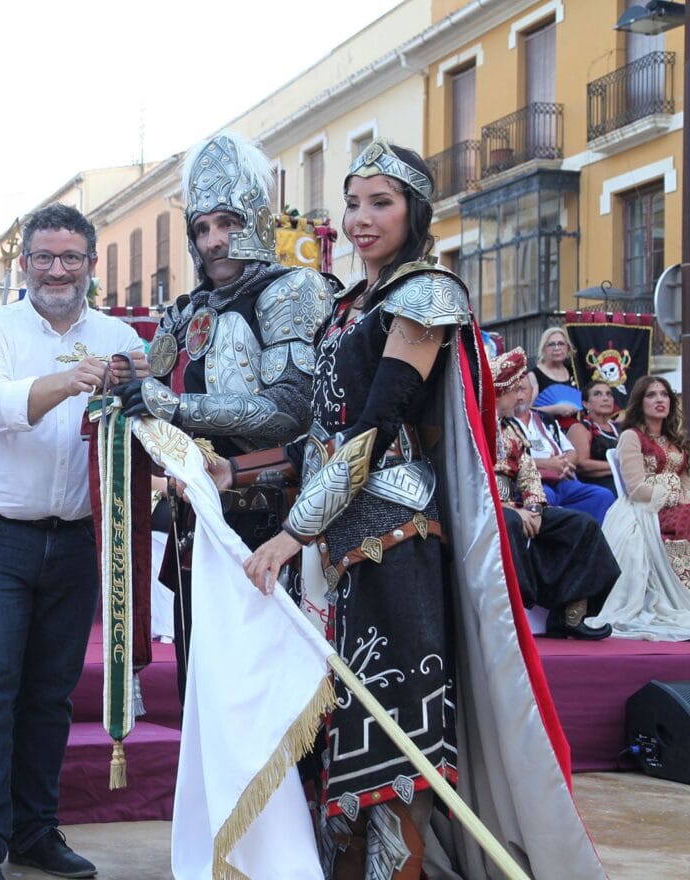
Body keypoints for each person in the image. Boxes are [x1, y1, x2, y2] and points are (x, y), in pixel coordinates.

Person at [240, 140, 605, 879]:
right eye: (353, 202)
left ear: (415, 212)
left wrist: (288, 533)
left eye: (382, 202)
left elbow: (376, 427)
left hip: (395, 545)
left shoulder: (427, 293)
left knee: (394, 749)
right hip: (333, 557)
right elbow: (318, 430)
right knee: (338, 746)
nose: (361, 218)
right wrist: (228, 470)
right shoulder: (345, 307)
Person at [0, 203, 147, 880]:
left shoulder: (123, 338)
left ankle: (36, 830)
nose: (56, 270)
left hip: (80, 539)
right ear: (23, 264)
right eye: (43, 257)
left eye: (71, 258)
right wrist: (70, 381)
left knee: (51, 692)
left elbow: (145, 432)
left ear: (92, 264)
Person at [115, 130, 332, 699]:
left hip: (272, 516)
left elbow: (289, 409)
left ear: (255, 220)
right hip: (198, 521)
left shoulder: (292, 290)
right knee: (201, 685)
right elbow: (143, 381)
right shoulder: (186, 311)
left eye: (226, 224)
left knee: (265, 692)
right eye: (202, 228)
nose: (213, 241)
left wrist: (177, 407)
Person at [491, 348, 616, 639]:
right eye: (515, 391)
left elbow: (528, 473)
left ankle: (570, 614)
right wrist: (513, 510)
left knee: (581, 525)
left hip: (518, 505)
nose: (520, 397)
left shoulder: (511, 429)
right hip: (484, 506)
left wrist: (533, 507)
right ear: (500, 392)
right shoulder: (473, 427)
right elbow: (474, 478)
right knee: (508, 523)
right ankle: (519, 608)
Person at [590, 374, 690, 639]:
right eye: (651, 395)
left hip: (678, 505)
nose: (659, 400)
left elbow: (686, 482)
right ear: (639, 402)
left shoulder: (676, 439)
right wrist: (670, 492)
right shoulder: (631, 437)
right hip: (643, 509)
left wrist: (682, 496)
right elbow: (635, 488)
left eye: (664, 395)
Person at [511, 393, 615, 522]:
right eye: (515, 390)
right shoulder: (502, 422)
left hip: (561, 479)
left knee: (602, 496)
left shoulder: (545, 419)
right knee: (543, 496)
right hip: (531, 480)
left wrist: (564, 464)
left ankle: (588, 540)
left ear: (532, 392)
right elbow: (505, 460)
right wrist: (545, 464)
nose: (519, 396)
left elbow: (571, 451)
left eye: (523, 389)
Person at [567, 380, 620, 496]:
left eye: (609, 394)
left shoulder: (621, 428)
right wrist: (620, 466)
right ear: (586, 404)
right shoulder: (580, 428)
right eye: (597, 394)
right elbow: (581, 464)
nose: (605, 398)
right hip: (598, 487)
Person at [527, 326, 581, 423]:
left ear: (568, 348)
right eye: (551, 344)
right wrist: (555, 409)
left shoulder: (574, 372)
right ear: (543, 349)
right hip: (546, 429)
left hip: (574, 428)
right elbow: (526, 410)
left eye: (561, 344)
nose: (557, 348)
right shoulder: (534, 375)